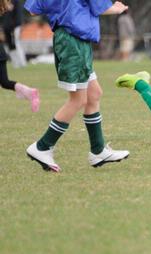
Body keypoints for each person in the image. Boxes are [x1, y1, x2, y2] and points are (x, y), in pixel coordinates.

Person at [24, 0, 130, 172]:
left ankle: (98, 151)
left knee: (94, 94)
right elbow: (100, 6)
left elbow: (34, 10)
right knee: (78, 100)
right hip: (74, 41)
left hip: (68, 38)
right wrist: (117, 8)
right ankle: (42, 147)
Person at [0, 0, 39, 112]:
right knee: (5, 82)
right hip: (1, 52)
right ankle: (30, 92)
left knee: (5, 82)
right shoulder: (4, 6)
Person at [2, 0, 27, 68]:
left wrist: (15, 26)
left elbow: (19, 15)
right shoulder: (4, 2)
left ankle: (22, 63)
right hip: (6, 27)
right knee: (10, 45)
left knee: (17, 43)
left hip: (15, 27)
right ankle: (15, 63)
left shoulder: (16, 1)